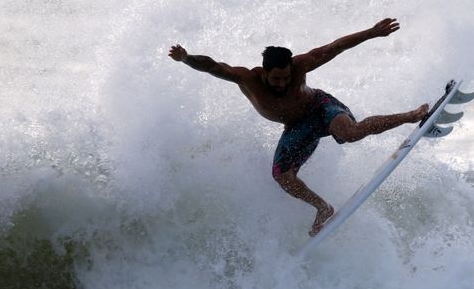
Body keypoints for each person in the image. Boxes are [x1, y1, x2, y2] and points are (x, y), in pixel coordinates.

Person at [168, 18, 428, 236]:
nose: (282, 83)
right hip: (297, 127)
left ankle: (411, 115)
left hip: (321, 107)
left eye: (286, 78)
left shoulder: (301, 64)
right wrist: (187, 58)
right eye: (276, 79)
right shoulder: (246, 78)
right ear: (264, 72)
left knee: (349, 133)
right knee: (282, 176)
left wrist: (372, 33)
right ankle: (322, 207)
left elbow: (335, 46)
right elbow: (213, 66)